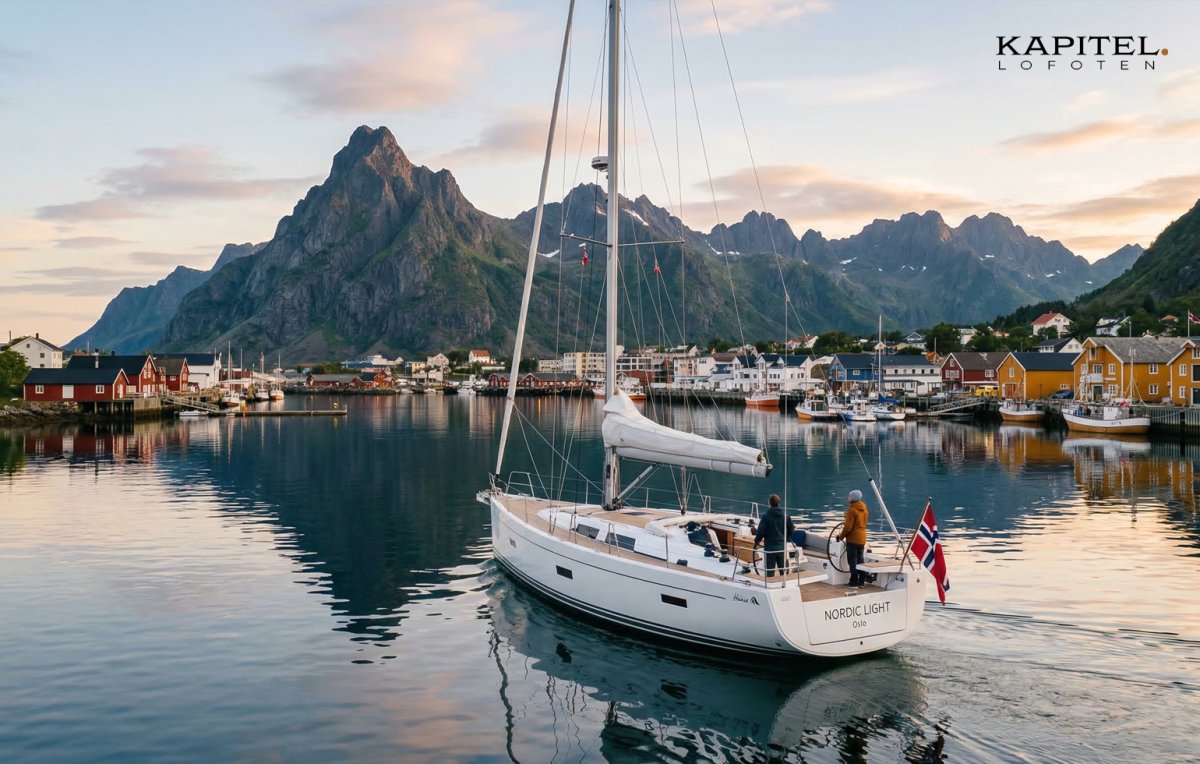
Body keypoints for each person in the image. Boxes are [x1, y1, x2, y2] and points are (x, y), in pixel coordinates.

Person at [754, 494, 794, 577]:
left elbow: (761, 531)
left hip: (770, 548)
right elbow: (791, 530)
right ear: (779, 503)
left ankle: (770, 586)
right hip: (781, 548)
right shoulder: (786, 516)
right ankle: (785, 586)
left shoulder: (766, 516)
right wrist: (785, 539)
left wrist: (757, 541)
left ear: (769, 503)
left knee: (770, 571)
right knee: (784, 572)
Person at [837, 489, 869, 586]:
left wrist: (841, 537)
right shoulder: (865, 509)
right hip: (862, 538)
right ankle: (862, 581)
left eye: (849, 496)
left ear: (853, 498)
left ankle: (853, 582)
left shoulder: (852, 510)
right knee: (860, 561)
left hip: (853, 540)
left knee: (852, 561)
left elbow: (847, 528)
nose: (848, 498)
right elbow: (860, 523)